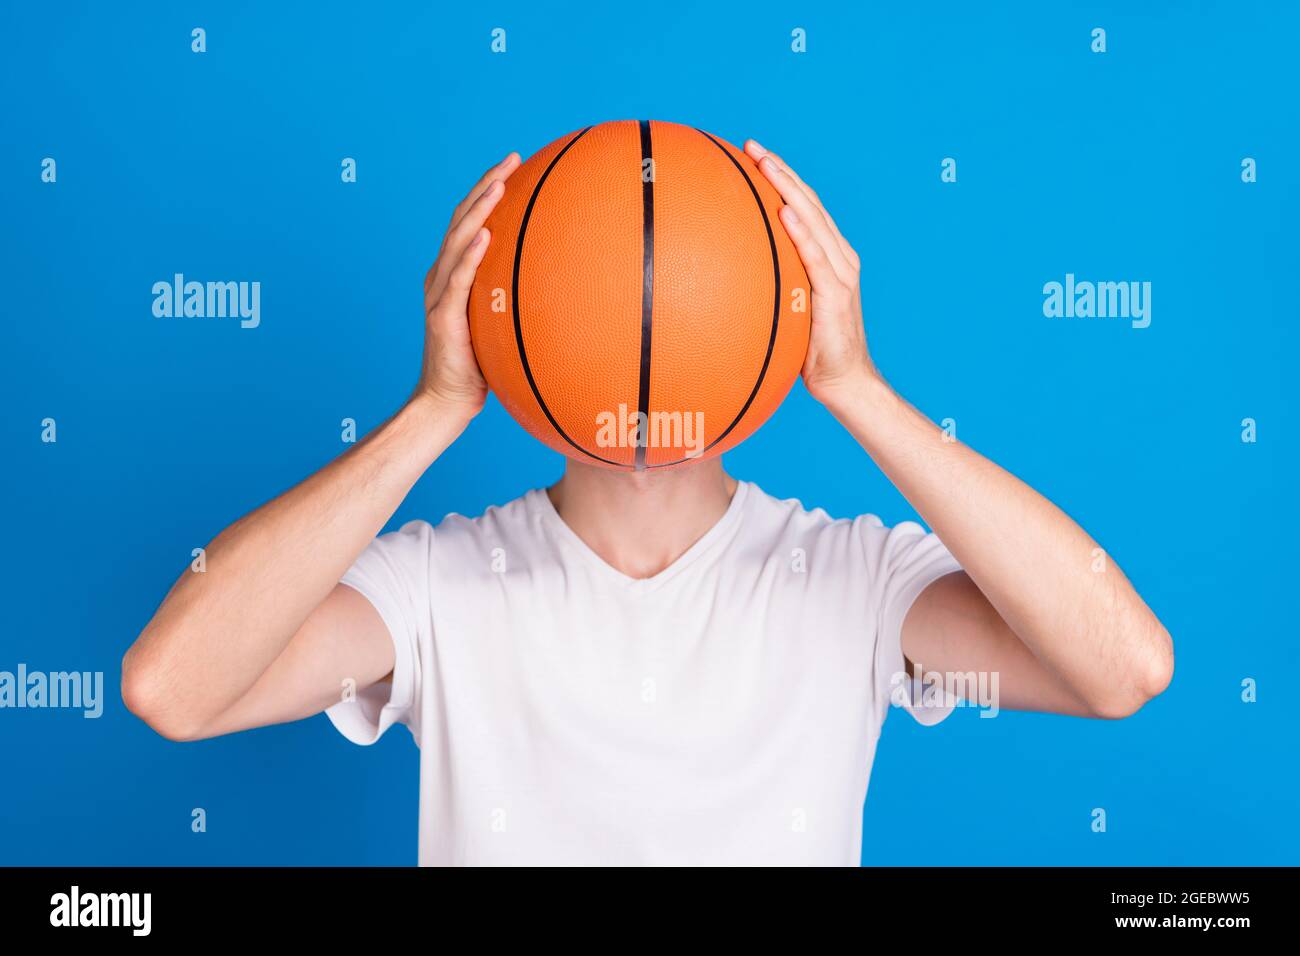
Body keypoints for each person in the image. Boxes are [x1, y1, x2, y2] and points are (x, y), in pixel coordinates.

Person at [121, 141, 1174, 866]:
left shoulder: (851, 580)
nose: (648, 329)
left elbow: (1122, 665)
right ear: (512, 316)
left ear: (771, 311)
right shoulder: (439, 584)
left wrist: (860, 389)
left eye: (680, 290)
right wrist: (438, 407)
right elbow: (174, 688)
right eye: (615, 291)